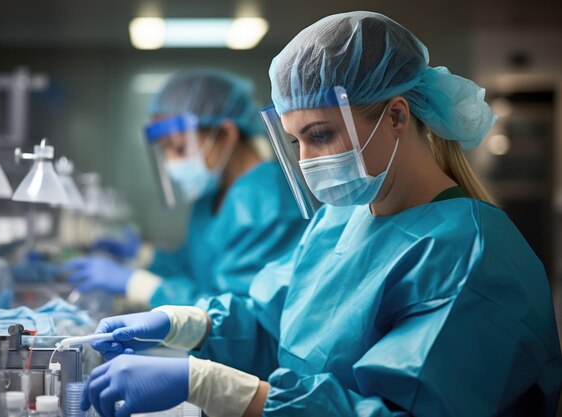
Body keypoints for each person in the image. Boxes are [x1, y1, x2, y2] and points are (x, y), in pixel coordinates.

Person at [81, 12, 562, 417]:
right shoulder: (339, 220)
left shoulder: (468, 253)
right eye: (296, 142)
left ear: (397, 116)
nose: (307, 160)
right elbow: (275, 323)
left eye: (321, 135)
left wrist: (210, 385)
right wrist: (181, 323)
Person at [65, 69, 307, 308]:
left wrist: (139, 285)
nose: (171, 162)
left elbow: (246, 318)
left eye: (179, 148)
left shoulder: (272, 203)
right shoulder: (212, 195)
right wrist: (143, 256)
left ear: (226, 134)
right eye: (164, 150)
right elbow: (199, 268)